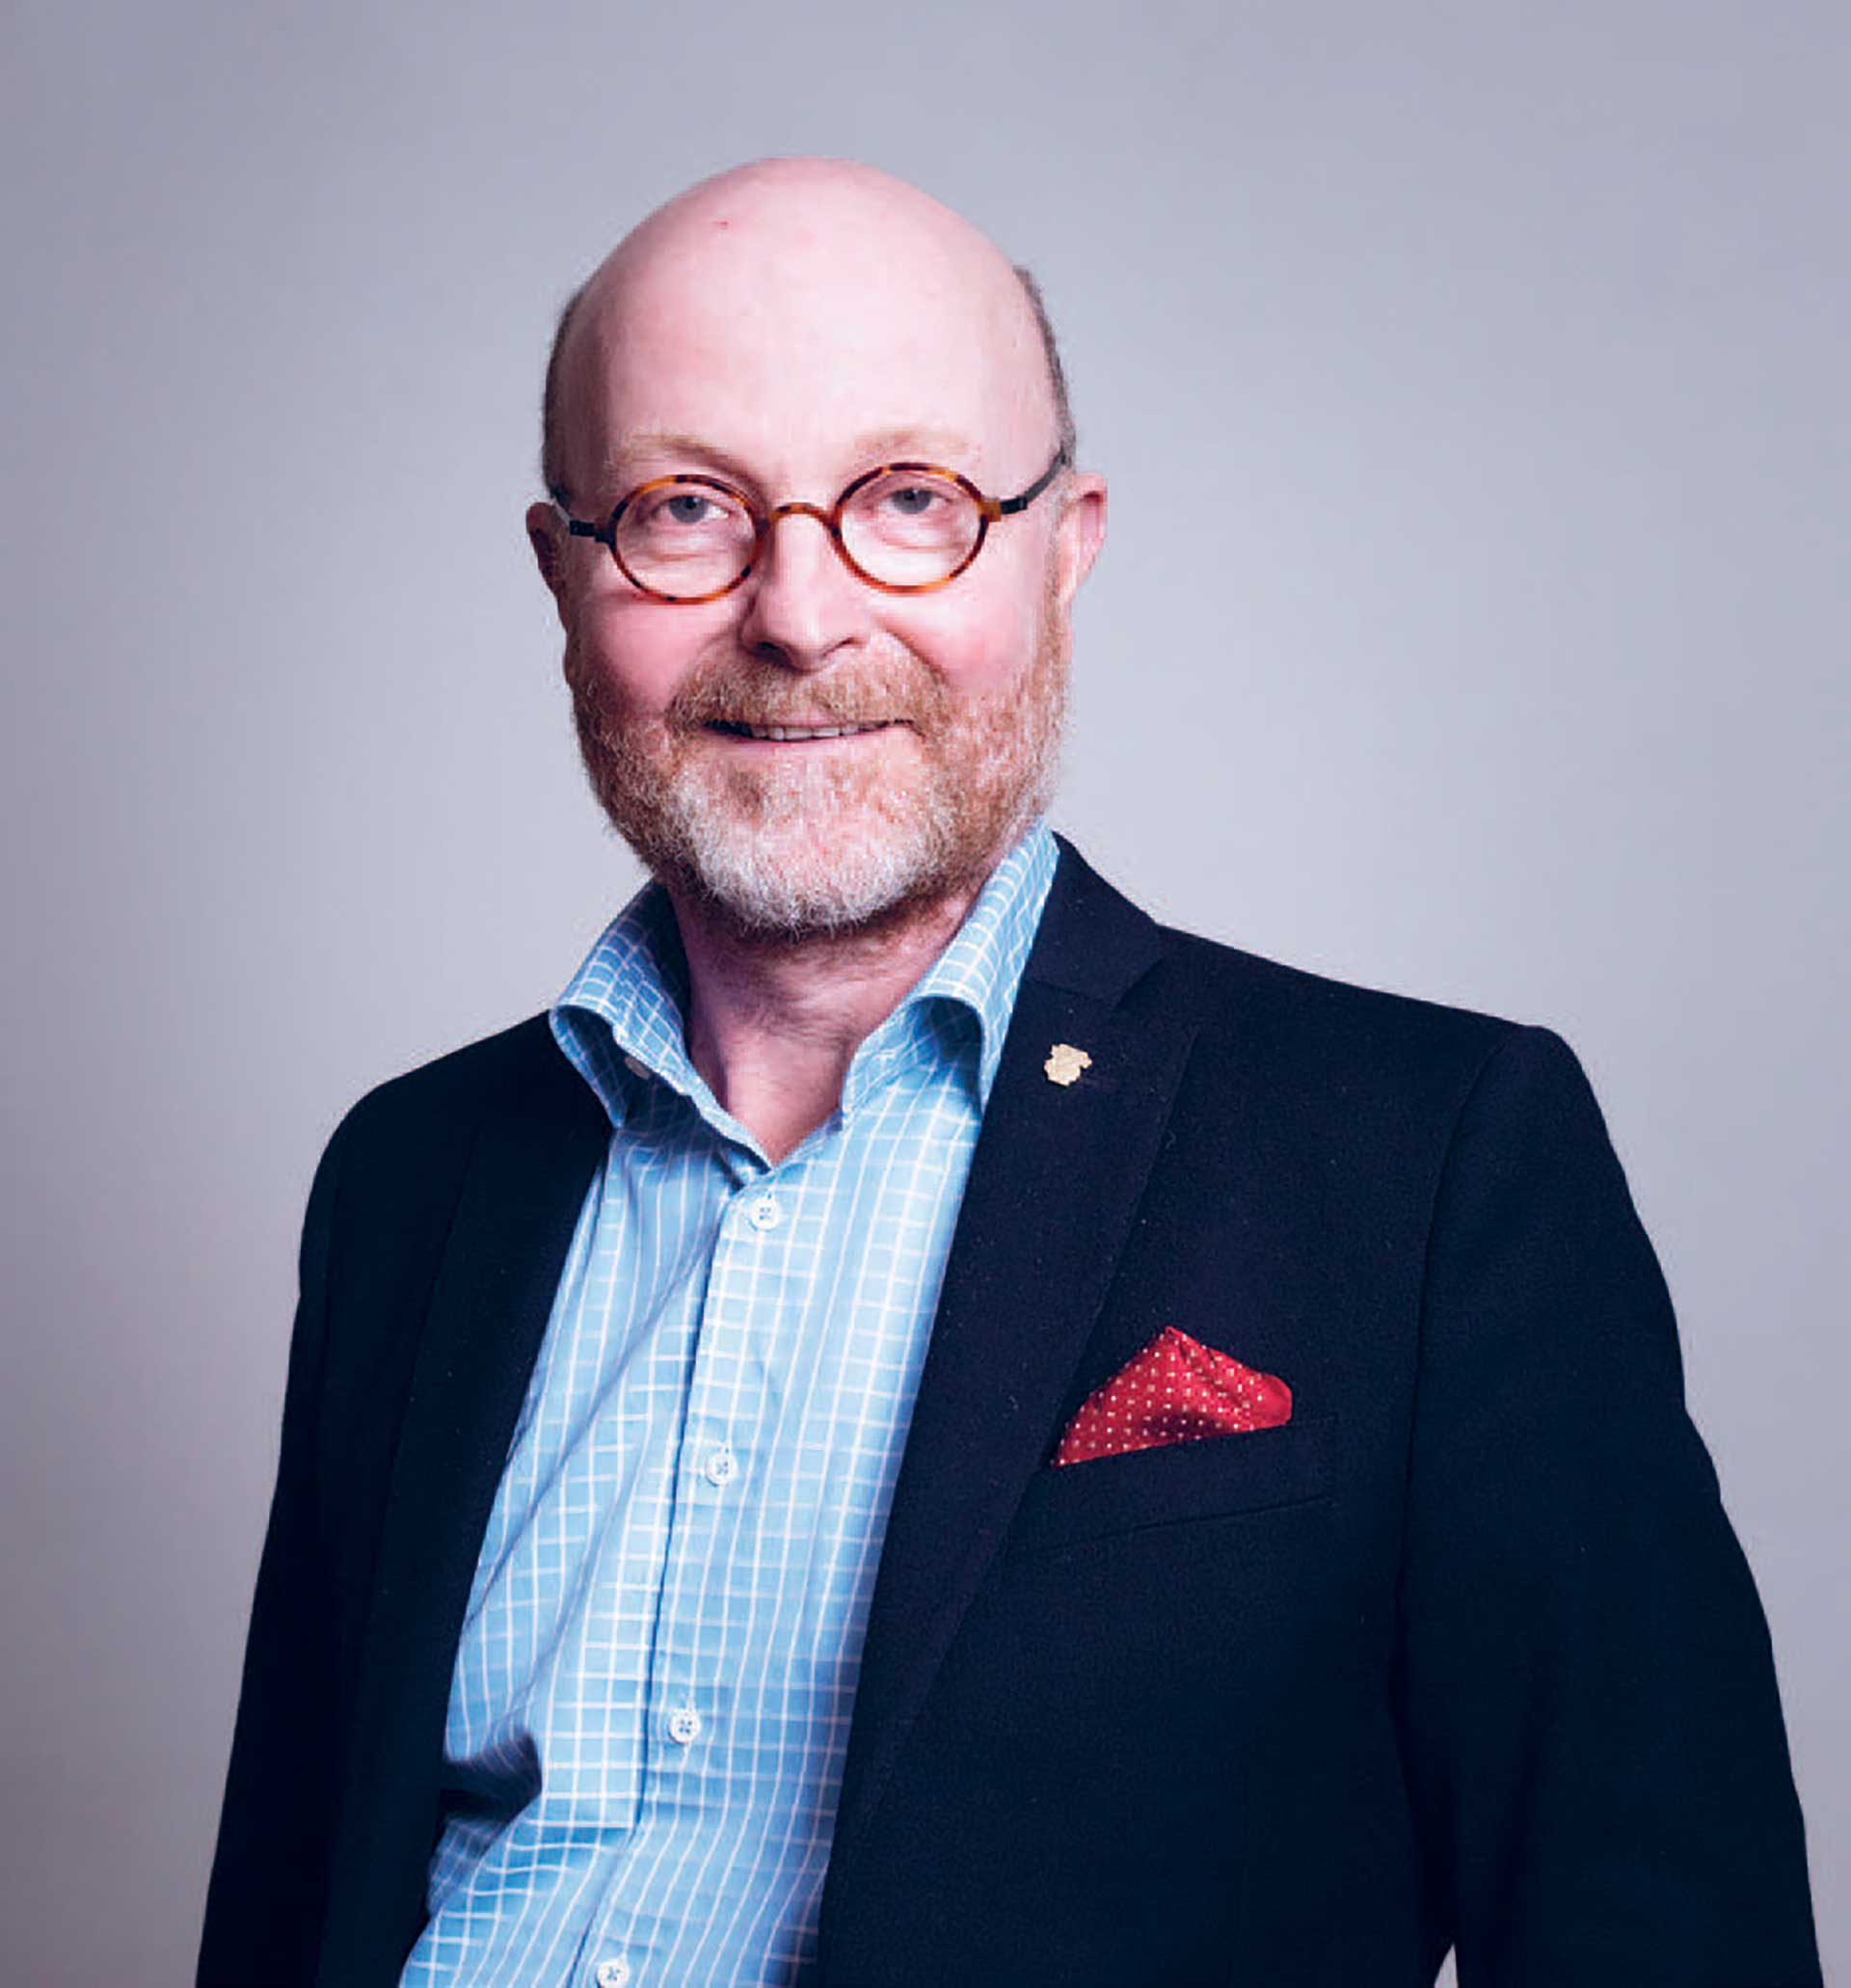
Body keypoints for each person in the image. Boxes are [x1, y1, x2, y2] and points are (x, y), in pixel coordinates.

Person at [198, 157, 1823, 1988]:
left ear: (1069, 544)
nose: (801, 616)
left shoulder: (1432, 1167)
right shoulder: (410, 1177)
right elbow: (285, 1905)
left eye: (913, 499)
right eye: (684, 508)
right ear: (565, 573)